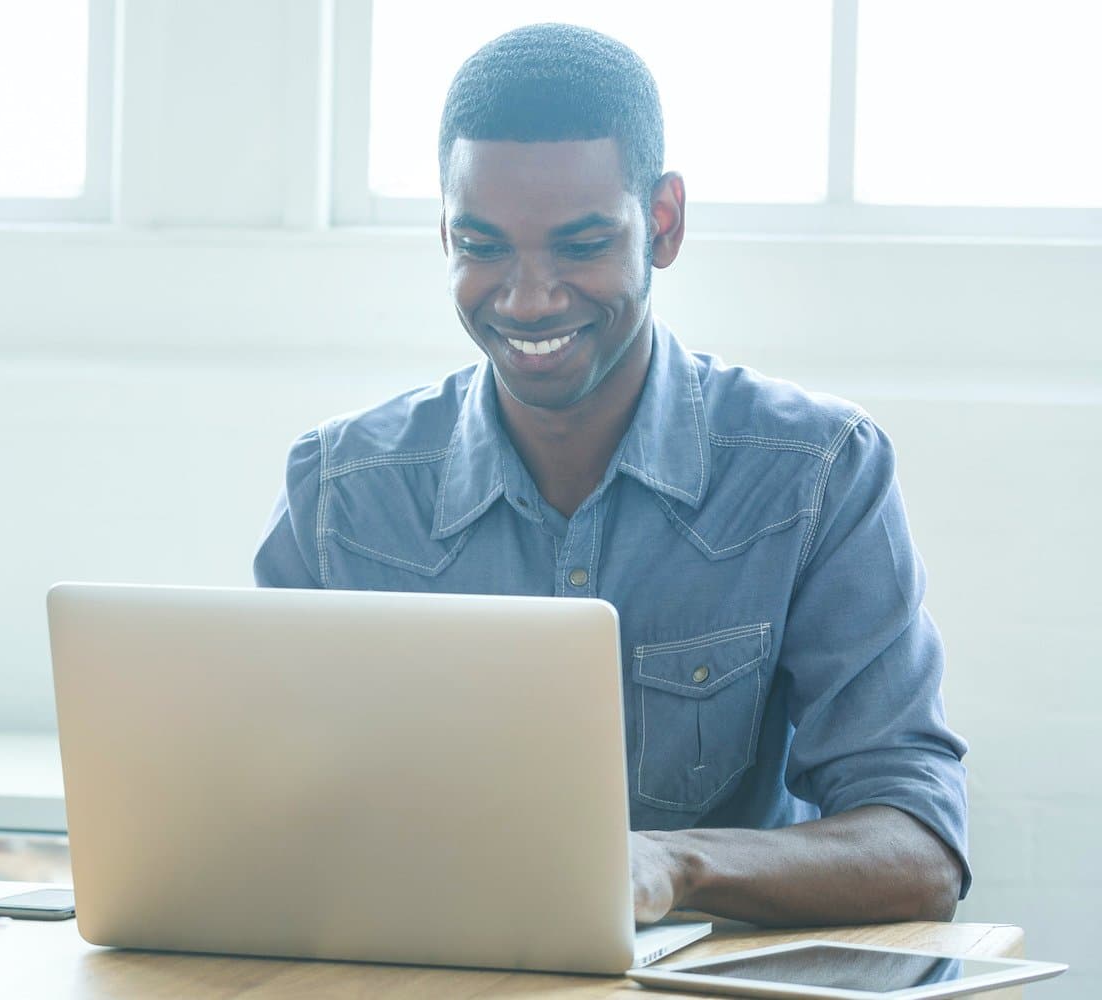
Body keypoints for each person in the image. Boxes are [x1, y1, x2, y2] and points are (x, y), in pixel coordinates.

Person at [252, 23, 966, 926]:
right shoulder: (342, 491)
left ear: (661, 224)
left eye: (580, 246)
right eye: (483, 247)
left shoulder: (814, 472)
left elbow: (920, 850)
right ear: (444, 231)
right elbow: (257, 806)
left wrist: (675, 863)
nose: (527, 298)